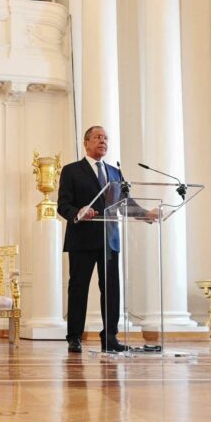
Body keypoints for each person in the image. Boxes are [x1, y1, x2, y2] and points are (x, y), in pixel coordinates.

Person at [57, 125, 155, 354]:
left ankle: (110, 338)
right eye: (98, 137)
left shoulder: (114, 172)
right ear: (86, 142)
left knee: (111, 291)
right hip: (82, 239)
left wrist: (146, 215)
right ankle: (74, 337)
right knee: (78, 289)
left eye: (105, 138)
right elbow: (63, 204)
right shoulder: (71, 170)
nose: (103, 141)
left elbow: (125, 204)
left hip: (109, 239)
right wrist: (78, 212)